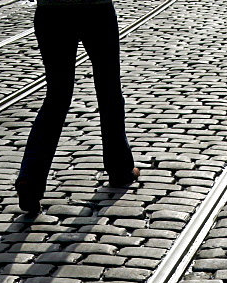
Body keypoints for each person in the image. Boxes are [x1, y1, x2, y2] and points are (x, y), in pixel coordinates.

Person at [15, 0, 138, 214]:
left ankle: (31, 178)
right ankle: (120, 169)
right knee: (109, 90)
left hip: (51, 10)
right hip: (96, 8)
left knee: (56, 96)